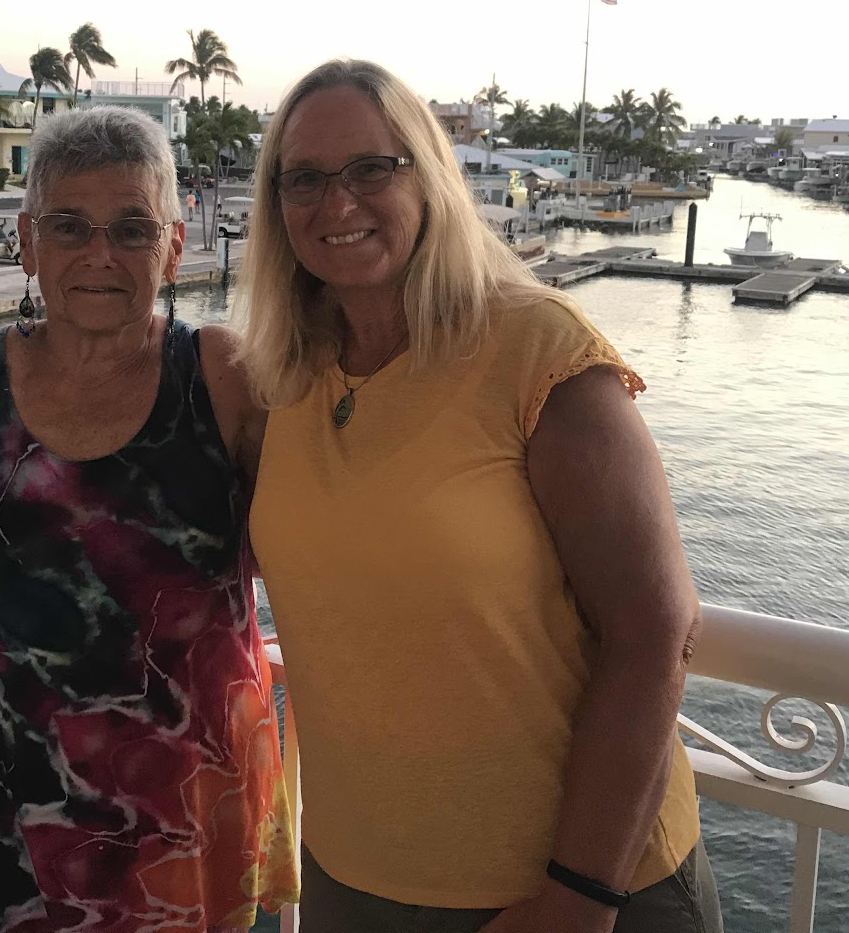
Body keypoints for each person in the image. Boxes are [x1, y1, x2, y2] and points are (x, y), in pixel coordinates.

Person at [235, 59, 722, 933]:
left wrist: (579, 897)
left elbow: (655, 627)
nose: (337, 202)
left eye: (371, 168)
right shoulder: (285, 372)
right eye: (303, 178)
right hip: (353, 878)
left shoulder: (533, 348)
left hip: (562, 888)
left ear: (428, 176)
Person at [0, 106, 297, 932]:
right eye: (68, 226)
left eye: (132, 229)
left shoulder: (225, 377)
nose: (100, 254)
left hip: (179, 815)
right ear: (26, 240)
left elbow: (304, 555)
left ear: (173, 245)